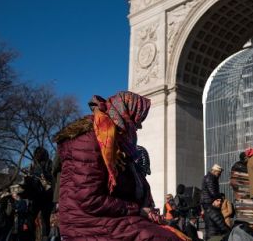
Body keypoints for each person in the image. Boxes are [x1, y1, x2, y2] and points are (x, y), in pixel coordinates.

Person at [55, 91, 182, 240]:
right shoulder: (89, 141)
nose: (139, 126)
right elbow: (89, 199)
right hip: (84, 222)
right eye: (137, 119)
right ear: (124, 113)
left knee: (172, 232)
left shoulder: (114, 141)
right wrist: (138, 210)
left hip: (105, 216)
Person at [229, 152, 253, 222]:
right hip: (243, 195)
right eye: (249, 157)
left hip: (244, 195)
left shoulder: (237, 166)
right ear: (245, 158)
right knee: (245, 217)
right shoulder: (242, 167)